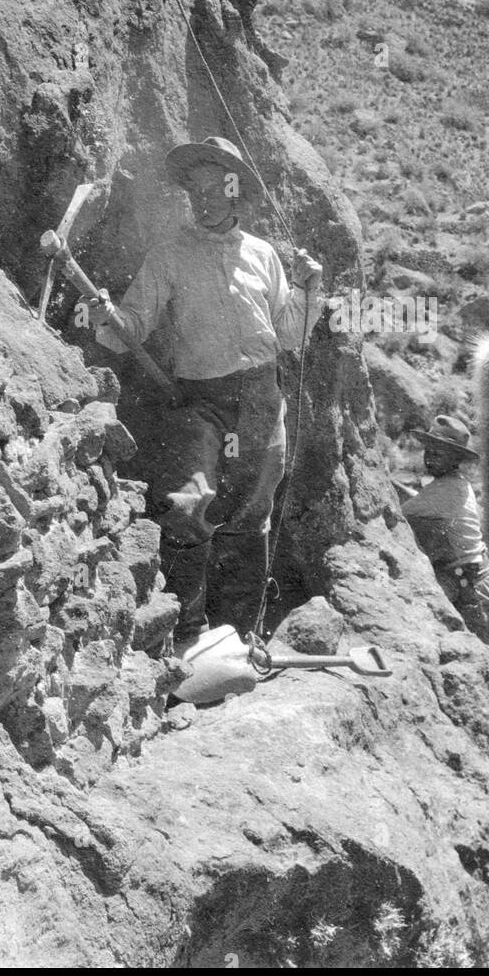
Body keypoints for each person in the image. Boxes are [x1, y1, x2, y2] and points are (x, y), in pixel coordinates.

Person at [86, 136, 322, 652]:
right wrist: (106, 317)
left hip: (261, 397)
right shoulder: (168, 255)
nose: (206, 198)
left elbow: (289, 336)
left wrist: (309, 290)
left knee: (251, 512)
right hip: (201, 402)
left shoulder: (263, 256)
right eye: (196, 190)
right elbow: (131, 325)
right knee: (189, 503)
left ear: (237, 194)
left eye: (218, 188)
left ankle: (238, 638)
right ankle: (186, 637)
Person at [400, 416, 489, 662]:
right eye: (428, 451)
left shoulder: (447, 490)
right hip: (466, 582)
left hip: (474, 589)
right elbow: (420, 501)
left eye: (439, 454)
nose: (430, 457)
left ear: (455, 460)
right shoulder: (450, 485)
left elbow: (401, 512)